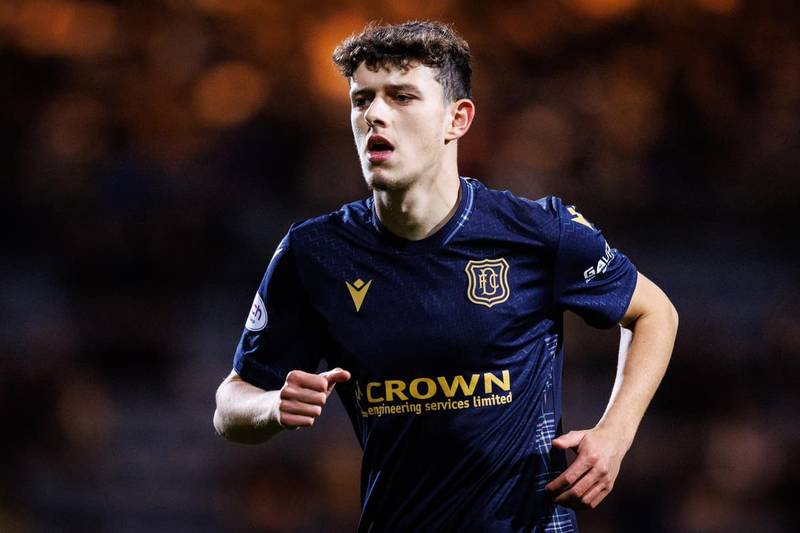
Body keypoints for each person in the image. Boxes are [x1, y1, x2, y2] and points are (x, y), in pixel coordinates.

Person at [213, 20, 678, 532]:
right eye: (362, 99)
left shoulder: (537, 231)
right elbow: (229, 406)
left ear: (456, 119)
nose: (374, 115)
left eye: (402, 97)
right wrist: (272, 405)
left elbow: (655, 312)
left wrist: (616, 433)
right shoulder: (315, 252)